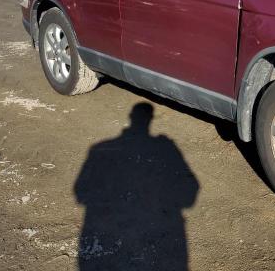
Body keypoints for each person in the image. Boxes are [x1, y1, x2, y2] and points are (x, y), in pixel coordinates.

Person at [75, 102, 198, 270]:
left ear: (131, 118)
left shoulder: (99, 149)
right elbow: (189, 195)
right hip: (159, 238)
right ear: (150, 120)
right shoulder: (165, 147)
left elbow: (80, 192)